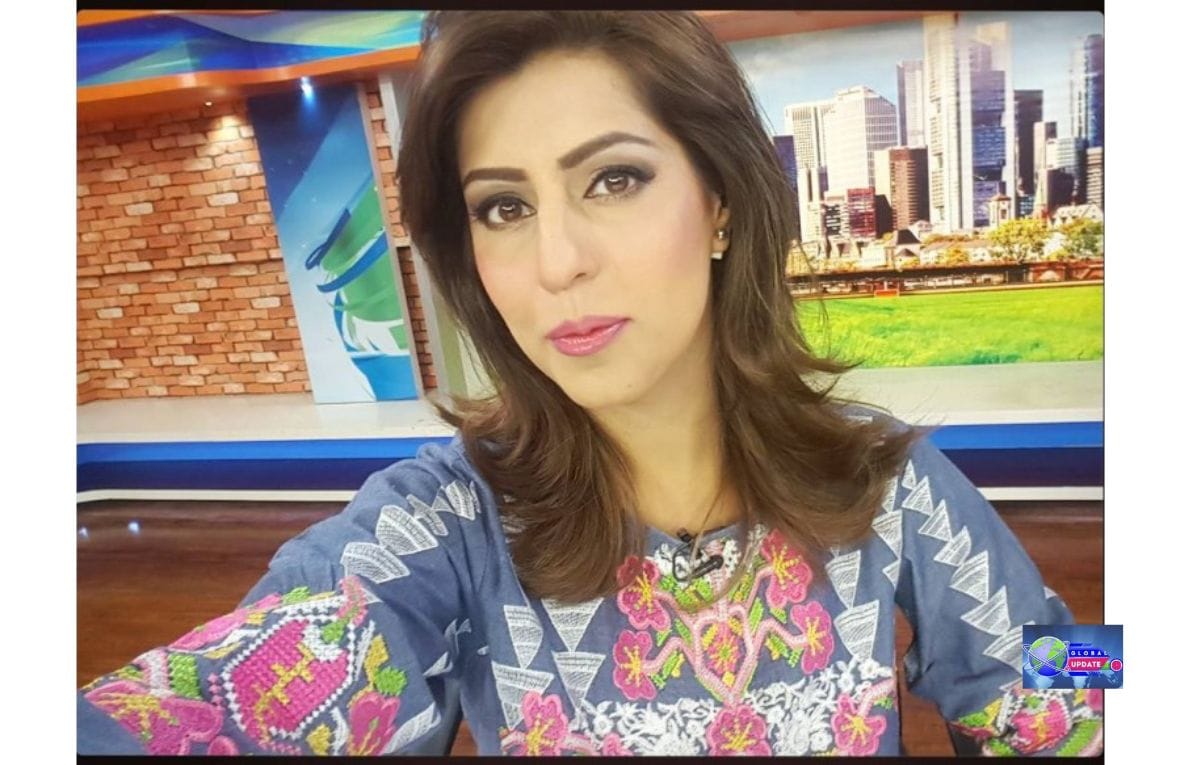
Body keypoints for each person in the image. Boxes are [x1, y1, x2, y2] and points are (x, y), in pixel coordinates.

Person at [77, 11, 1103, 756]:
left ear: (720, 203)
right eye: (503, 207)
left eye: (614, 179)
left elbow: (1060, 669)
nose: (556, 261)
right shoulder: (442, 529)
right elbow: (220, 700)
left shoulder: (885, 481)